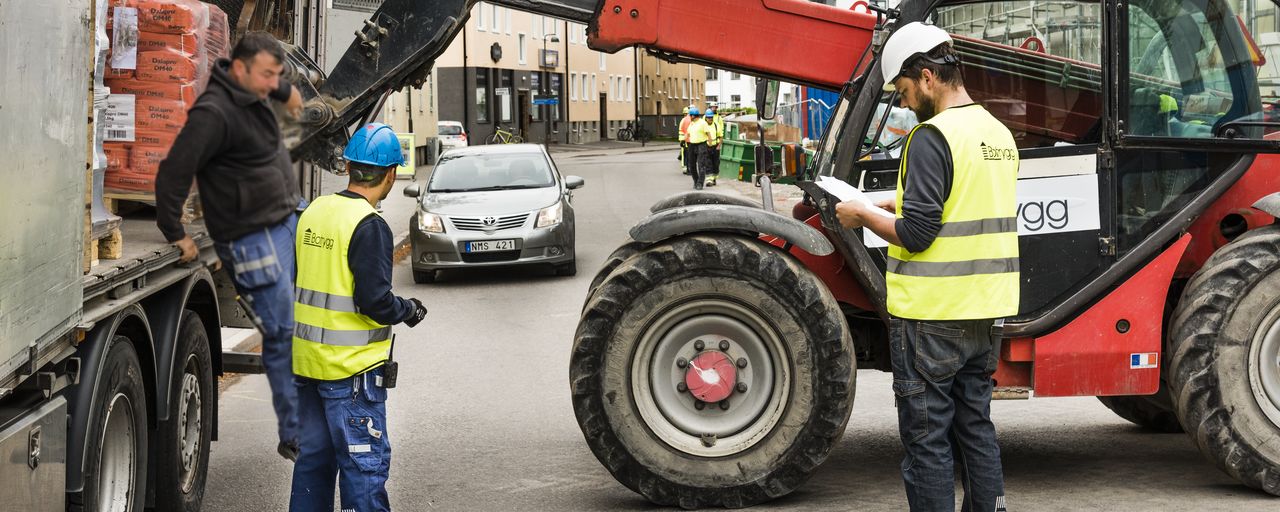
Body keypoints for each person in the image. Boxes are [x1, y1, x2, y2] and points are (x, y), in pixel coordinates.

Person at [834, 22, 1018, 512]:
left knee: (928, 439)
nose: (903, 101)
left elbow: (918, 234)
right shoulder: (997, 133)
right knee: (975, 426)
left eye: (904, 88)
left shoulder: (931, 136)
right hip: (985, 312)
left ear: (928, 76)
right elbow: (963, 207)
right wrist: (893, 203)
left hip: (933, 315)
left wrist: (862, 214)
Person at [153, 31, 305, 460]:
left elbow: (273, 81)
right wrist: (175, 232)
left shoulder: (251, 86)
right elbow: (172, 173)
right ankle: (294, 435)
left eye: (275, 76)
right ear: (239, 70)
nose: (271, 83)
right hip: (248, 238)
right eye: (267, 76)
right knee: (280, 332)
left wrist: (287, 90)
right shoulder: (214, 115)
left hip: (281, 218)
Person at [289, 123, 428, 512]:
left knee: (313, 463)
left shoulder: (315, 211)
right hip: (349, 373)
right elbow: (374, 303)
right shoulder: (369, 225)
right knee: (363, 466)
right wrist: (408, 309)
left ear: (349, 168)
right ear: (388, 174)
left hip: (308, 366)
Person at [685, 107, 713, 190]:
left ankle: (700, 183)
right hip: (692, 145)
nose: (689, 117)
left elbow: (709, 135)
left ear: (693, 116)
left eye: (690, 115)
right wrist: (683, 140)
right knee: (692, 165)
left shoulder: (703, 123)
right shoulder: (691, 123)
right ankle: (696, 181)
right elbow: (688, 133)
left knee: (701, 165)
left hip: (701, 145)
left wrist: (710, 145)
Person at [700, 109, 722, 187]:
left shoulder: (716, 125)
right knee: (708, 163)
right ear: (705, 118)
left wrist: (719, 146)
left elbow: (720, 136)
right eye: (708, 118)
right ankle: (709, 180)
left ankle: (714, 178)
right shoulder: (703, 125)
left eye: (711, 117)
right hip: (706, 147)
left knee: (716, 163)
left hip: (715, 147)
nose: (710, 119)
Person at [679, 105, 694, 174]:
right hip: (686, 140)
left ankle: (688, 168)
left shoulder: (690, 119)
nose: (685, 115)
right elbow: (682, 131)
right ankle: (686, 168)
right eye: (684, 113)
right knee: (685, 154)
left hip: (691, 140)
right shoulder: (684, 120)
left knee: (689, 155)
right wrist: (682, 140)